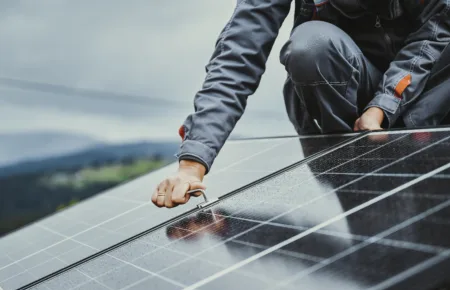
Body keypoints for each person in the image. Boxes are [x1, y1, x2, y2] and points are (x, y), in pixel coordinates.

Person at [152, 0, 450, 209]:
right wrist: (193, 162)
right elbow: (237, 57)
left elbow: (441, 21)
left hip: (430, 84)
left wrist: (385, 104)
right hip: (351, 99)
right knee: (310, 48)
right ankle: (357, 185)